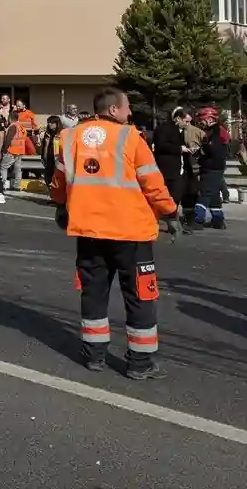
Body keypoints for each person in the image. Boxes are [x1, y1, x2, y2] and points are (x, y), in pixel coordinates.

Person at [50, 87, 177, 380]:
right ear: (112, 110)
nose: (129, 112)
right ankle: (140, 363)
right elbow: (152, 182)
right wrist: (170, 212)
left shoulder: (70, 138)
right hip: (131, 232)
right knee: (140, 295)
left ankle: (94, 356)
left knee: (94, 291)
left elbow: (58, 177)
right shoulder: (131, 137)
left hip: (89, 231)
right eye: (127, 108)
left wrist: (60, 206)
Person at [151, 107, 195, 233]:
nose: (188, 124)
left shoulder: (181, 131)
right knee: (168, 196)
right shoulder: (164, 129)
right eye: (186, 121)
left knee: (176, 196)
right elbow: (161, 145)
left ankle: (174, 222)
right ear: (177, 119)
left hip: (179, 169)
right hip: (167, 169)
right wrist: (180, 149)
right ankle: (170, 222)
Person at [194, 106, 230, 231]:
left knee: (204, 193)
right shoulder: (214, 130)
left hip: (213, 167)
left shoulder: (217, 131)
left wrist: (202, 150)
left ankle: (197, 220)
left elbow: (214, 150)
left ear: (210, 118)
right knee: (214, 195)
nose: (200, 122)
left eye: (202, 119)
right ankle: (218, 220)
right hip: (214, 167)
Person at [40, 115, 64, 188]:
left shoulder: (62, 134)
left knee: (57, 178)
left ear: (57, 124)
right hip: (49, 158)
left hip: (58, 159)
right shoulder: (47, 134)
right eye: (48, 122)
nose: (49, 124)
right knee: (47, 177)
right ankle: (51, 192)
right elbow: (43, 146)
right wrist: (42, 157)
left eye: (52, 123)